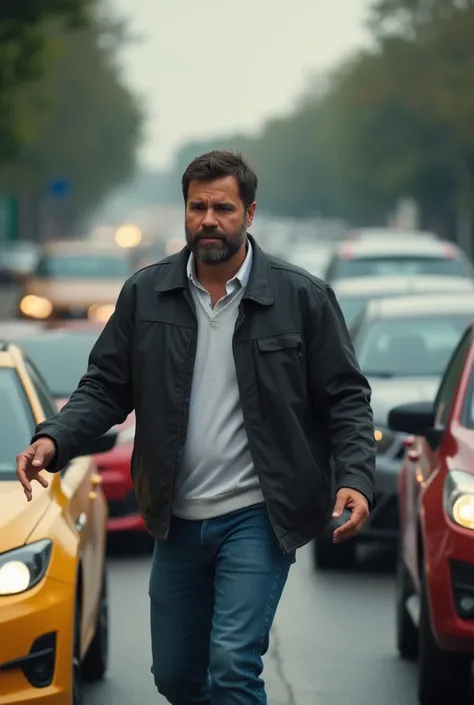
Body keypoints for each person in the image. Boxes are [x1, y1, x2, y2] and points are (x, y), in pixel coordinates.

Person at [16, 150, 376, 705]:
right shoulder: (146, 293)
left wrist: (354, 476)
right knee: (178, 677)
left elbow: (345, 398)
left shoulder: (301, 296)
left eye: (223, 208)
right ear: (184, 211)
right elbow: (106, 386)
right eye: (197, 207)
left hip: (260, 514)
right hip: (175, 516)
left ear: (249, 214)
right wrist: (54, 438)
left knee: (233, 664)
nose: (209, 219)